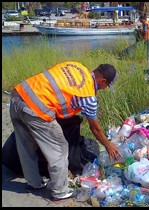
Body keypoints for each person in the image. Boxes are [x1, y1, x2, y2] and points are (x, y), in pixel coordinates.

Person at [9, 61, 122, 201]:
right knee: (60, 148)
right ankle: (60, 192)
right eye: (106, 86)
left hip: (18, 95)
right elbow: (95, 128)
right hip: (36, 108)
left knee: (26, 146)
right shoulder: (88, 97)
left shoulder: (76, 66)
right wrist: (108, 145)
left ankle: (34, 183)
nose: (104, 88)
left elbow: (61, 88)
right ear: (103, 81)